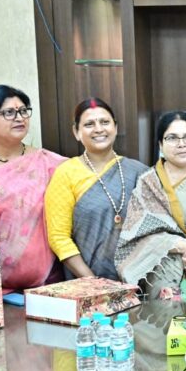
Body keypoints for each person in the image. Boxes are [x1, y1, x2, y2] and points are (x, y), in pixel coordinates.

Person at [0, 85, 66, 292]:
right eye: (9, 113)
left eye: (23, 111)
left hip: (46, 282)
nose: (19, 117)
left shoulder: (47, 162)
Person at [44, 98, 146, 280]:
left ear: (115, 127)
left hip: (139, 280)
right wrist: (92, 282)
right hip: (86, 283)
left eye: (105, 122)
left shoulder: (138, 171)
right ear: (76, 132)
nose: (99, 129)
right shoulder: (66, 173)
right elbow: (59, 237)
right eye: (89, 124)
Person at [116, 111, 186, 296]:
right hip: (161, 275)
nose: (181, 144)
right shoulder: (148, 182)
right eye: (172, 138)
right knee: (163, 322)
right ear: (161, 144)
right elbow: (135, 234)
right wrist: (178, 245)